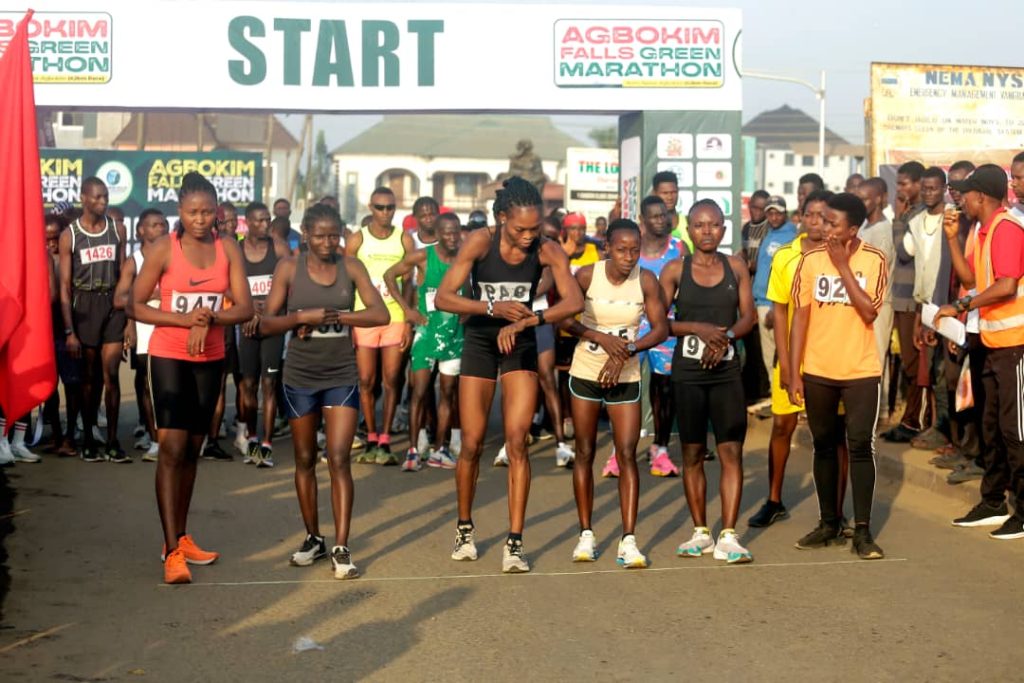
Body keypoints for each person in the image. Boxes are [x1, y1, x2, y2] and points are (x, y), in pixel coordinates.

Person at [435, 176, 583, 573]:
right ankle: (465, 528)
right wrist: (490, 309)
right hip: (482, 341)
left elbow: (574, 300)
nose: (527, 236)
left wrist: (532, 319)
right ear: (502, 218)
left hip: (520, 341)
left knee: (517, 441)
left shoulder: (547, 249)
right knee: (472, 442)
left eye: (535, 229)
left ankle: (514, 542)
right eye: (520, 229)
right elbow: (443, 298)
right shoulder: (480, 243)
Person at [129, 172, 254, 584]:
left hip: (211, 357)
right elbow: (136, 304)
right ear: (179, 212)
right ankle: (169, 549)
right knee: (172, 448)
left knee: (193, 450)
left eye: (206, 211)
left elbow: (245, 308)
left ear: (217, 211)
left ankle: (181, 536)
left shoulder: (228, 249)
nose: (200, 219)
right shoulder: (165, 248)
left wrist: (211, 317)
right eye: (191, 212)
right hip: (168, 355)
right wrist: (183, 319)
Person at [259, 203, 389, 578]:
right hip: (299, 375)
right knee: (303, 459)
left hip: (341, 374)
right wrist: (300, 318)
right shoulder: (288, 268)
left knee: (338, 458)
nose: (328, 242)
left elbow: (380, 313)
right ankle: (313, 537)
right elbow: (267, 323)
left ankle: (342, 546)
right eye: (320, 235)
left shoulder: (351, 267)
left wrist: (336, 317)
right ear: (305, 233)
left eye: (334, 235)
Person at [562, 219, 668, 567]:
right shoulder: (587, 276)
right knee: (585, 450)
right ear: (607, 246)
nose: (628, 257)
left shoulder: (647, 280)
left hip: (626, 372)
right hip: (587, 370)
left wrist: (629, 348)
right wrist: (601, 338)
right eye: (621, 250)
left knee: (626, 453)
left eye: (634, 250)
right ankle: (586, 534)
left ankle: (628, 539)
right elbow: (564, 320)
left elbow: (662, 328)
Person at [789, 192, 888, 560]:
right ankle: (829, 522)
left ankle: (862, 531)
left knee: (860, 445)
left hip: (860, 370)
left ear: (852, 228)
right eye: (823, 221)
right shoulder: (810, 260)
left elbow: (869, 312)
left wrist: (843, 265)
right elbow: (800, 317)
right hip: (818, 369)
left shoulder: (874, 260)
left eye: (832, 223)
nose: (824, 227)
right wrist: (794, 372)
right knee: (824, 445)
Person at [660, 199, 756, 563]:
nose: (707, 232)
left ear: (724, 229)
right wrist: (696, 328)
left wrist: (728, 337)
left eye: (714, 225)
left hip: (727, 370)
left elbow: (748, 317)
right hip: (688, 372)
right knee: (692, 452)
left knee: (731, 450)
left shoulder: (735, 267)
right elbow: (660, 323)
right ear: (688, 229)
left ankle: (729, 535)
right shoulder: (674, 270)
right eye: (699, 225)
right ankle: (701, 531)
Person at [936, 164, 1024, 540]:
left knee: (1014, 431)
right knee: (991, 427)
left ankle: (1021, 509)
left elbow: (1005, 287)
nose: (961, 199)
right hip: (991, 343)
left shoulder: (1007, 229)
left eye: (966, 193)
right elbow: (972, 282)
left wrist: (960, 307)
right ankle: (992, 500)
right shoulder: (982, 232)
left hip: (1016, 345)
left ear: (982, 197)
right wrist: (953, 239)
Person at [748, 190, 835, 527]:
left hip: (828, 358)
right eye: (810, 214)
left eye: (824, 216)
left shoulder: (837, 255)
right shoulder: (786, 254)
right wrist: (785, 363)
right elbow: (779, 311)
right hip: (791, 357)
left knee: (829, 433)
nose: (816, 222)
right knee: (782, 426)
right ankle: (773, 499)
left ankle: (833, 512)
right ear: (801, 216)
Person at [603, 196, 687, 478]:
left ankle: (660, 449)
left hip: (666, 328)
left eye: (664, 215)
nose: (661, 220)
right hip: (630, 325)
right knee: (624, 387)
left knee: (664, 390)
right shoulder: (631, 249)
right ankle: (618, 451)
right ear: (642, 220)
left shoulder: (678, 248)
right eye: (654, 216)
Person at [383, 212, 465, 471]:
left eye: (456, 232)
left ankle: (440, 449)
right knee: (418, 391)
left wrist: (467, 315)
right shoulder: (423, 257)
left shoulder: (466, 258)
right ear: (438, 234)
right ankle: (412, 450)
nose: (453, 237)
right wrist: (407, 310)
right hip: (426, 334)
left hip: (454, 335)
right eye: (448, 232)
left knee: (448, 393)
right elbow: (389, 275)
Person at [58, 177, 128, 462]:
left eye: (106, 196)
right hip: (83, 306)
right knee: (89, 376)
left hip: (112, 303)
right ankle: (87, 438)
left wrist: (129, 320)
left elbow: (125, 274)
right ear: (84, 198)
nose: (103, 201)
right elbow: (64, 286)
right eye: (97, 197)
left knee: (111, 374)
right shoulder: (70, 235)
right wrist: (69, 330)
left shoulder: (118, 229)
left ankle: (112, 440)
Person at [346, 187, 416, 465]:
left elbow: (409, 284)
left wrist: (409, 320)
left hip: (395, 317)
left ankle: (385, 439)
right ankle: (371, 436)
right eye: (379, 207)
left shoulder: (404, 240)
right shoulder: (356, 240)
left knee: (391, 380)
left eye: (389, 207)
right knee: (366, 380)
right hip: (364, 317)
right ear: (370, 207)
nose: (384, 213)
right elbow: (346, 280)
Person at [900, 166, 951, 451]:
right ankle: (938, 427)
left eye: (935, 188)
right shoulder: (917, 221)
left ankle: (949, 432)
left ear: (943, 188)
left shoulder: (954, 217)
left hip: (950, 303)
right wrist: (920, 315)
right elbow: (907, 254)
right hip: (927, 305)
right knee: (932, 371)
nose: (930, 193)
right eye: (926, 188)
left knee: (948, 372)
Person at [237, 201, 291, 467]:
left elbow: (291, 283)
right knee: (248, 385)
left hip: (272, 325)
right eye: (258, 220)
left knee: (269, 385)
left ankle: (267, 445)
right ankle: (252, 439)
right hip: (246, 325)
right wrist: (247, 308)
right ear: (247, 221)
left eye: (267, 220)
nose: (264, 225)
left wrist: (266, 310)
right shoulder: (235, 251)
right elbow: (225, 285)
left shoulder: (279, 248)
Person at [114, 209, 170, 462]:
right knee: (148, 387)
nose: (161, 228)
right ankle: (155, 439)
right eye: (155, 225)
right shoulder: (134, 261)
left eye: (164, 224)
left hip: (174, 328)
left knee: (169, 387)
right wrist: (150, 296)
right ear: (141, 230)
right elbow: (119, 299)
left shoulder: (176, 256)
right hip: (146, 331)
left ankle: (171, 437)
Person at [884, 161, 927, 442]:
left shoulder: (919, 214)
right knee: (908, 364)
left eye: (904, 184)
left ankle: (915, 422)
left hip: (913, 300)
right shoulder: (910, 212)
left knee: (915, 365)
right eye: (897, 184)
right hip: (899, 299)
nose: (899, 189)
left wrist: (899, 219)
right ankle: (909, 419)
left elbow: (904, 253)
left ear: (919, 184)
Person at [554, 212, 601, 444]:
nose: (578, 233)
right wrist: (565, 256)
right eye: (573, 228)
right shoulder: (560, 253)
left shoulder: (595, 252)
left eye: (581, 228)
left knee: (589, 372)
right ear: (566, 230)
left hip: (589, 321)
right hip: (566, 323)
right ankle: (567, 416)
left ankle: (587, 415)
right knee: (565, 374)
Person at [752, 196, 797, 381]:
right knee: (769, 354)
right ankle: (775, 395)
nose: (774, 217)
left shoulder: (791, 236)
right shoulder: (769, 233)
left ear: (784, 213)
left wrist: (774, 306)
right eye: (770, 213)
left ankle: (784, 397)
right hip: (761, 301)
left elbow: (787, 275)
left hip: (774, 304)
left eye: (777, 213)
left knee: (781, 352)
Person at [855, 178, 896, 366]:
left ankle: (879, 397)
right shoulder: (863, 226)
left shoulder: (883, 232)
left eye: (864, 199)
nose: (860, 204)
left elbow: (875, 270)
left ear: (878, 199)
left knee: (876, 361)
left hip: (878, 304)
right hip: (860, 300)